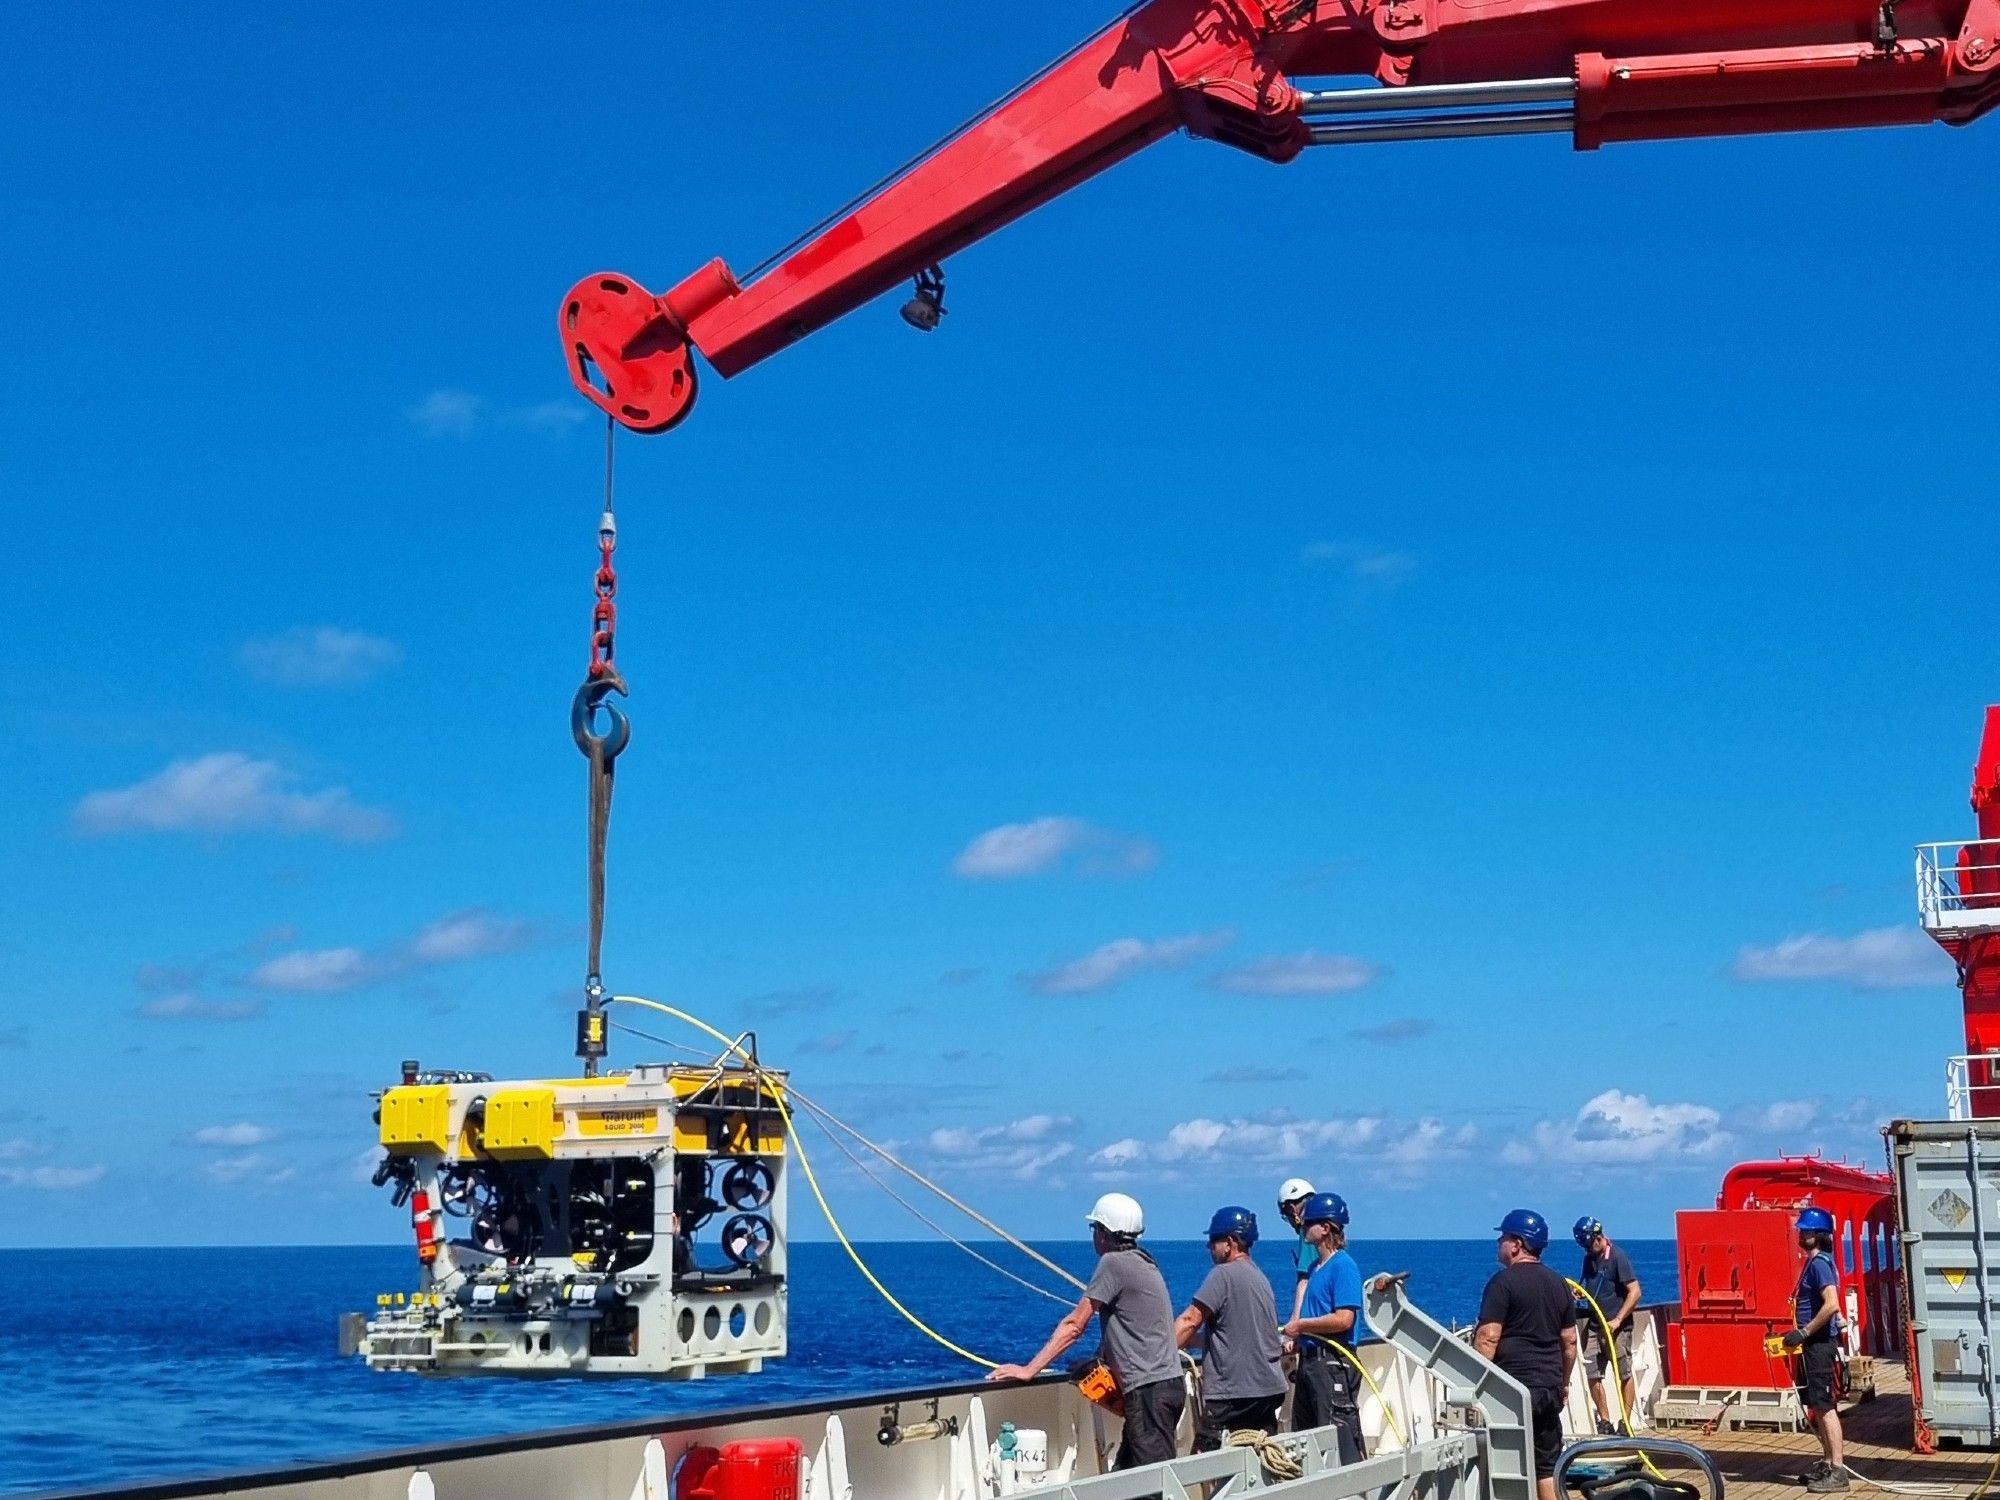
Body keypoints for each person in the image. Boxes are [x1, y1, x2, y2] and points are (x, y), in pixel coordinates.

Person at [988, 1192, 1185, 1470]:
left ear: (1104, 1234)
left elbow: (1074, 1326)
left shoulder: (1113, 1263)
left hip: (1149, 1393)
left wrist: (1028, 1370)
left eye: (1095, 1229)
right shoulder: (1144, 1262)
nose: (1093, 1236)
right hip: (1166, 1387)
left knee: (1153, 1484)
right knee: (1127, 1478)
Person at [1474, 1209, 1578, 1500]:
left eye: (1503, 1238)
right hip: (1549, 1389)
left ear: (1517, 1244)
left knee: (1509, 1467)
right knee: (1546, 1469)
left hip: (1513, 1392)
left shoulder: (1502, 1282)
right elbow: (1569, 1341)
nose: (1499, 1244)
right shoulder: (1559, 1284)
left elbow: (1487, 1338)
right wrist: (1563, 1382)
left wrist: (1475, 1389)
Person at [1175, 1206, 1288, 1450]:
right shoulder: (1260, 1278)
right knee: (1258, 1459)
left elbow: (1189, 1321)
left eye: (1213, 1241)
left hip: (1234, 1394)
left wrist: (1159, 1351)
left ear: (1229, 1242)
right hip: (1267, 1391)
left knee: (1206, 1459)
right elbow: (1236, 1333)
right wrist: (1194, 1341)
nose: (1209, 1248)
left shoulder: (1222, 1275)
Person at [1282, 1191, 1366, 1462]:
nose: (1304, 1227)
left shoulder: (1343, 1266)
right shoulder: (1318, 1268)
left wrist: (1301, 1326)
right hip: (1311, 1363)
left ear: (1326, 1228)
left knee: (1338, 1441)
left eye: (1309, 1223)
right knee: (1306, 1441)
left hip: (1332, 1364)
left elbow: (1344, 1319)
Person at [1784, 1206, 1848, 1493]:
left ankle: (1838, 1470)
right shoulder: (1815, 1263)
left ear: (1819, 1235)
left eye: (1806, 1230)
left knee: (1824, 1407)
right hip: (1813, 1344)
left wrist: (1804, 1331)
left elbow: (1831, 1304)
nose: (1801, 1233)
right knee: (1816, 1407)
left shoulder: (1820, 1264)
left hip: (1820, 1344)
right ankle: (1826, 1462)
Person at [1572, 1215, 1642, 1434]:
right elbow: (1589, 1284)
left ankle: (1626, 1422)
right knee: (1592, 1371)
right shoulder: (1588, 1258)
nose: (1586, 1249)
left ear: (1598, 1238)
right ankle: (1605, 1420)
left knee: (1624, 1373)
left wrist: (1618, 1320)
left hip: (1617, 1327)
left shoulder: (1618, 1257)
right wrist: (1579, 1292)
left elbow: (1635, 1291)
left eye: (1588, 1244)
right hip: (1594, 1324)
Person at [1276, 1177, 1318, 1323]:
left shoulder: (1307, 1230)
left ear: (1292, 1209)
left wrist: (1294, 1322)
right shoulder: (1329, 1226)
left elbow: (1304, 1280)